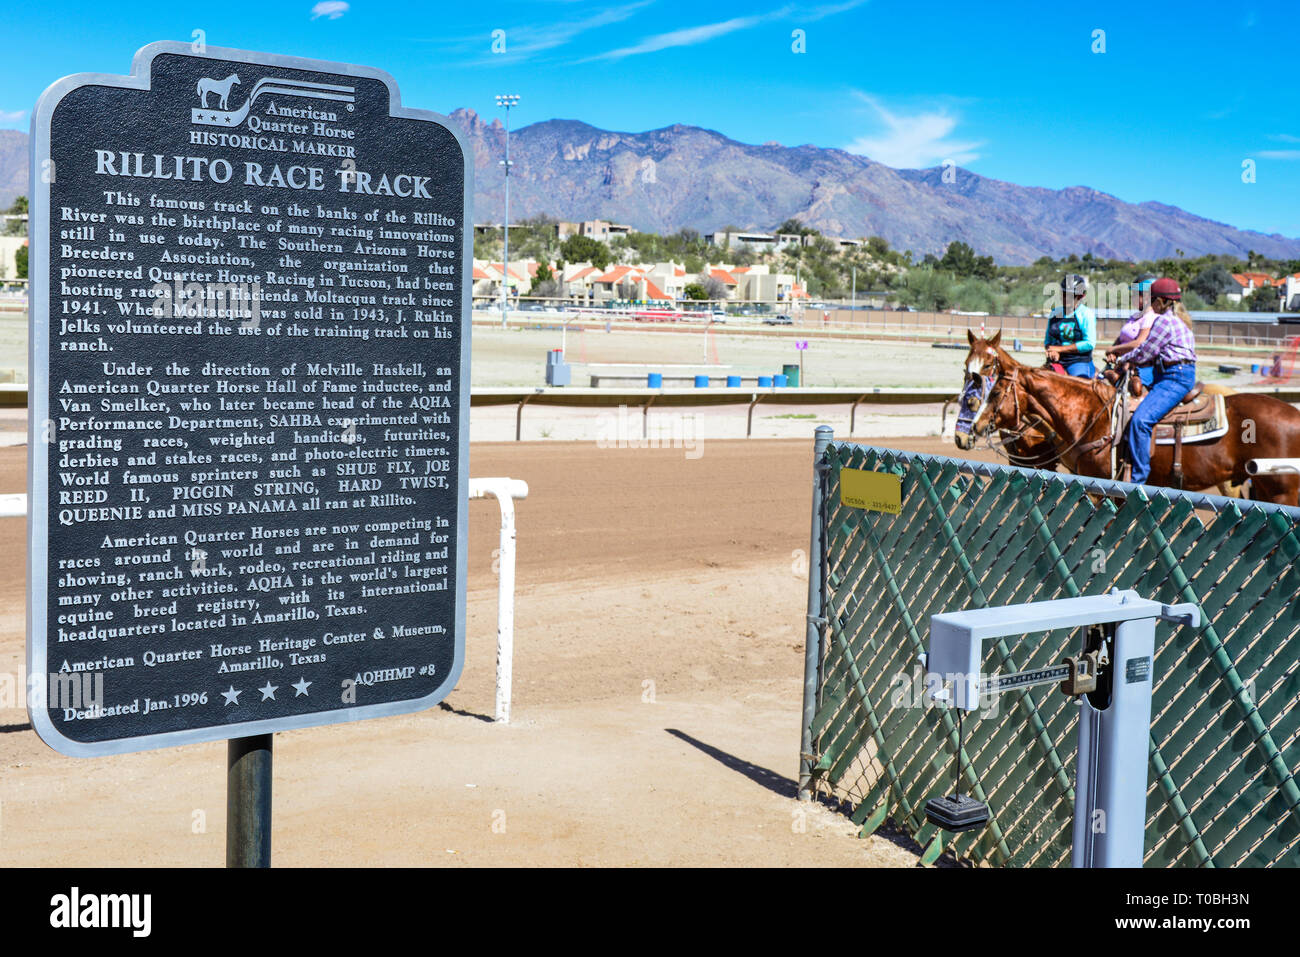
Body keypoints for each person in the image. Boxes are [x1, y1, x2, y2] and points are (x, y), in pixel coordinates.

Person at [1117, 278, 1197, 484]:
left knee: (1141, 421)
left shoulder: (1163, 321)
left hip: (1174, 377)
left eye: (1152, 299)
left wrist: (1121, 359)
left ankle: (1138, 480)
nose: (1149, 304)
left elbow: (1145, 352)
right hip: (1172, 373)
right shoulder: (1179, 320)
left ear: (1161, 301)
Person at [1105, 276, 1157, 387]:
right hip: (1124, 363)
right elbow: (1121, 338)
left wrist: (1113, 349)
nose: (1132, 297)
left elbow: (1138, 343)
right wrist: (1113, 353)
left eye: (1135, 294)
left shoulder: (1151, 317)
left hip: (1141, 367)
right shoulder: (1135, 316)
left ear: (1148, 296)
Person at [1044, 274, 1097, 378]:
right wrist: (1052, 351)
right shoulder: (1055, 313)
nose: (1066, 298)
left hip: (1078, 362)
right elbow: (1048, 341)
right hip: (1056, 361)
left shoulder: (1086, 314)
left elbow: (1089, 343)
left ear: (1081, 296)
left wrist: (1060, 349)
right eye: (1064, 294)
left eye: (1071, 295)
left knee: (1078, 388)